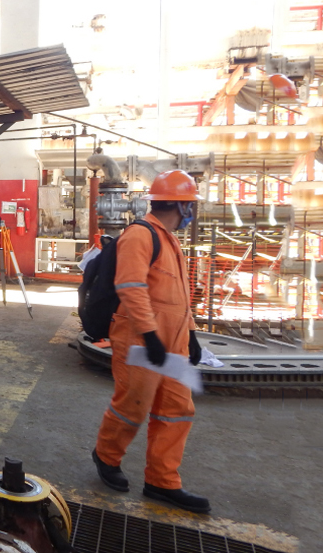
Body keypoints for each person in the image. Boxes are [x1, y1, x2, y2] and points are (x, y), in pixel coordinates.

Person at [91, 170, 209, 513]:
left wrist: (190, 333)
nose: (191, 214)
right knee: (133, 406)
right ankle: (106, 456)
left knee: (176, 411)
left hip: (172, 343)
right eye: (190, 207)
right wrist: (150, 334)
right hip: (140, 341)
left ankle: (163, 482)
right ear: (176, 204)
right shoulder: (140, 236)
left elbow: (176, 297)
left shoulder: (170, 240)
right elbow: (131, 287)